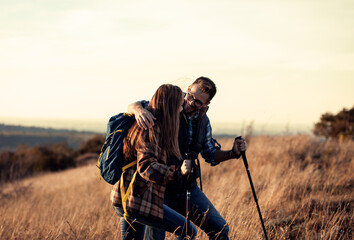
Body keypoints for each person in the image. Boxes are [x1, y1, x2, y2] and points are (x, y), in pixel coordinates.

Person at [128, 77, 247, 240]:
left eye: (198, 102)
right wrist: (137, 110)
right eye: (190, 96)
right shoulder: (171, 102)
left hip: (188, 187)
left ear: (206, 105)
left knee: (221, 230)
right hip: (159, 189)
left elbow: (210, 153)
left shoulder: (203, 121)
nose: (191, 103)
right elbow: (137, 105)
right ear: (189, 88)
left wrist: (233, 153)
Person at [111, 84, 198, 240]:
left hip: (126, 197)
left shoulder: (146, 120)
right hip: (136, 200)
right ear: (170, 106)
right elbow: (147, 168)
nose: (181, 109)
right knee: (189, 231)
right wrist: (178, 172)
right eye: (179, 105)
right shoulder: (150, 127)